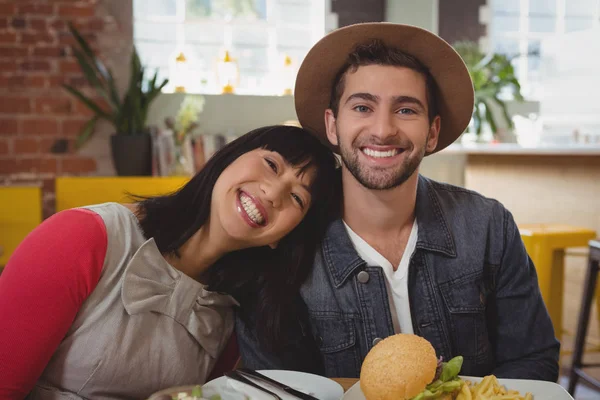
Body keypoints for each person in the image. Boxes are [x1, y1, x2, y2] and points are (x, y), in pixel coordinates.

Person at [236, 23, 560, 382]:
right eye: (362, 107)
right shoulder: (286, 244)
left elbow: (533, 364)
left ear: (432, 132)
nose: (383, 130)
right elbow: (275, 387)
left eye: (406, 110)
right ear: (332, 125)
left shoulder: (488, 227)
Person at [0, 125, 340, 399]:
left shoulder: (231, 321)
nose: (272, 193)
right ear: (228, 158)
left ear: (283, 237)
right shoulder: (84, 237)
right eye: (271, 164)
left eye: (297, 197)